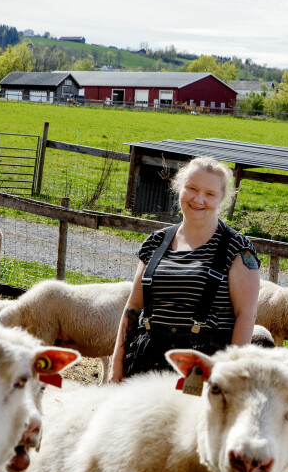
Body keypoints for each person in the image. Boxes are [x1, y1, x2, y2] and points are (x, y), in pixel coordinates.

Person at [110, 157, 260, 382]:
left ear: (222, 199)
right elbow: (133, 307)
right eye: (192, 188)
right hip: (144, 362)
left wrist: (231, 377)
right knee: (142, 417)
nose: (199, 199)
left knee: (189, 416)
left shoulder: (237, 248)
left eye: (210, 194)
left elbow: (246, 315)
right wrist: (116, 366)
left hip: (199, 369)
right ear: (179, 188)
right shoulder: (155, 242)